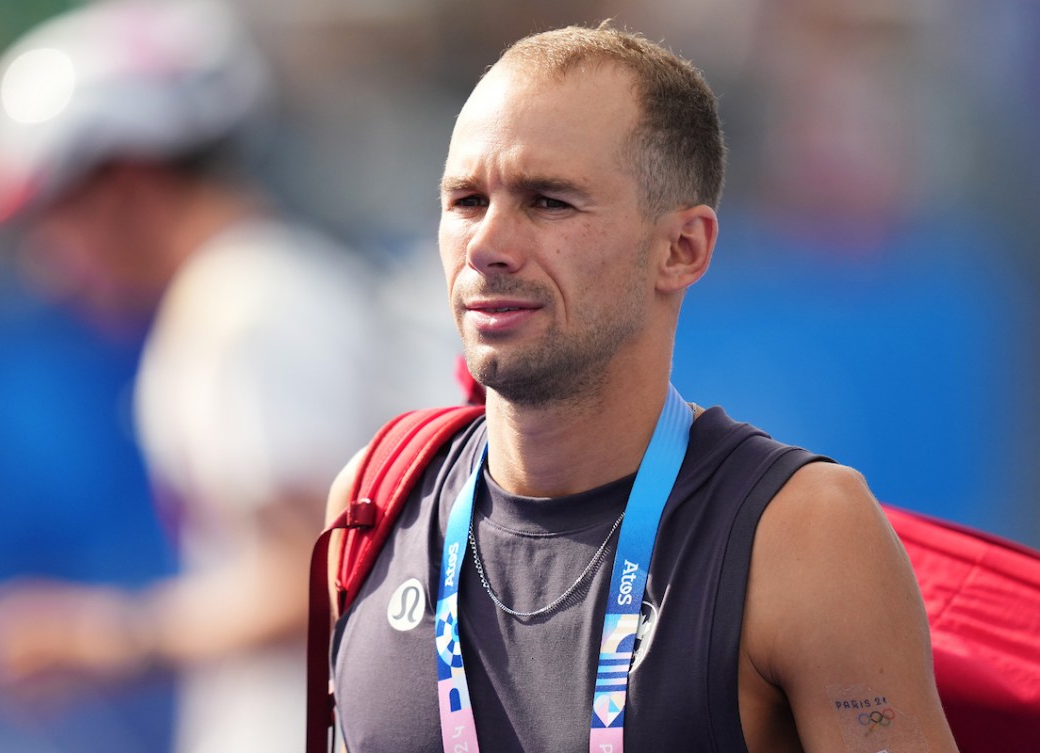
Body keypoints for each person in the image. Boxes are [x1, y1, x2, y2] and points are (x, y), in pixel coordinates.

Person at [325, 23, 961, 753]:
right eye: (466, 200)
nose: (487, 246)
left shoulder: (803, 536)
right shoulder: (374, 498)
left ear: (681, 249)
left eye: (548, 201)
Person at [0, 2, 377, 752]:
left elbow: (335, 580)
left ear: (126, 183)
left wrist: (94, 639)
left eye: (49, 218)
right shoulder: (258, 291)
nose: (45, 265)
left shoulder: (243, 309)